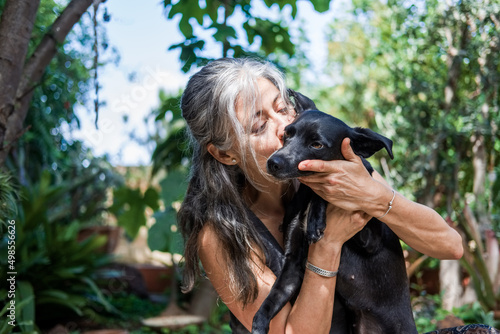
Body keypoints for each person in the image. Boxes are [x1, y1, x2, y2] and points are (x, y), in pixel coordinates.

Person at [177, 57, 464, 333]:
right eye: (259, 126)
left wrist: (375, 197)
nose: (284, 127)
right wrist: (327, 244)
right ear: (225, 154)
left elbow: (449, 246)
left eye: (283, 107)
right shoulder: (222, 235)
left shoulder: (336, 171)